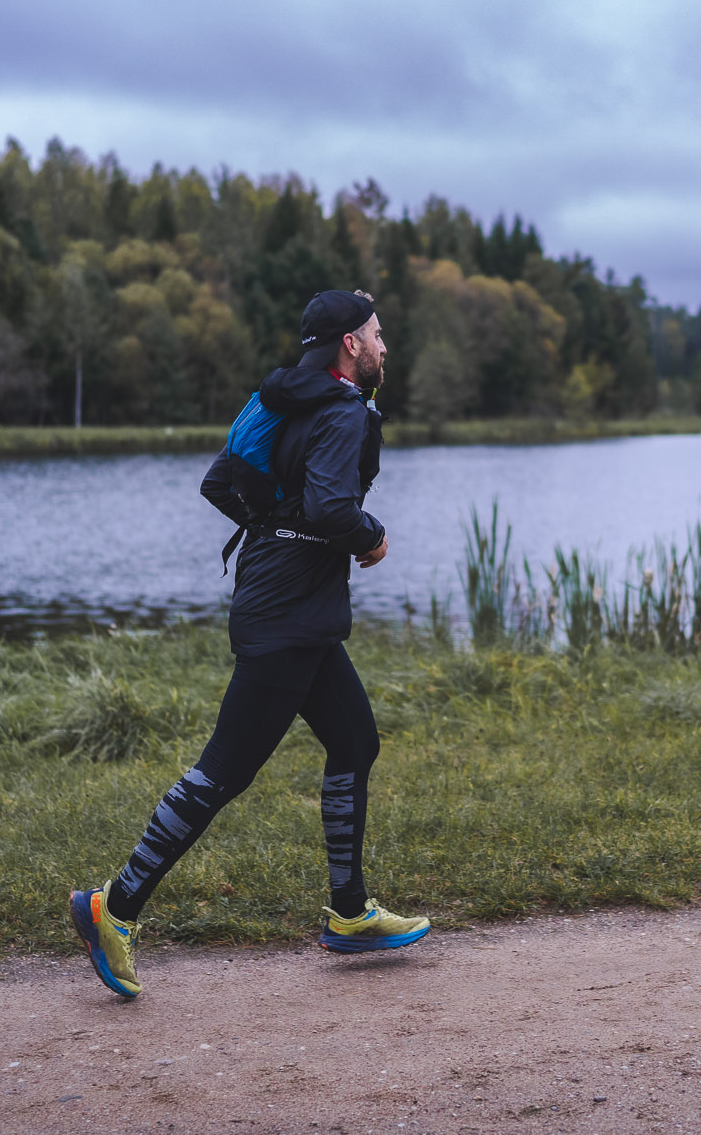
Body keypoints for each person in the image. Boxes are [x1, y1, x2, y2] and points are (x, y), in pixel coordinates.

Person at [69, 289, 430, 999]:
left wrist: (274, 526)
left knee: (355, 741)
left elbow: (219, 484)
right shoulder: (344, 412)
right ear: (350, 345)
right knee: (222, 772)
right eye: (379, 334)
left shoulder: (285, 400)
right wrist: (371, 536)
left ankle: (351, 911)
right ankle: (115, 905)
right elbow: (331, 507)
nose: (386, 346)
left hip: (289, 609)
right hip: (287, 617)